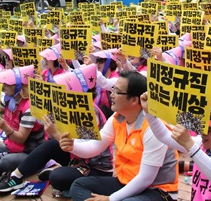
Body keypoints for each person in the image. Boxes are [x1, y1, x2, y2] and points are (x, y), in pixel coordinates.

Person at [60, 70, 179, 201]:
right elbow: (94, 146)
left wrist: (111, 199)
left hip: (157, 191)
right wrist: (72, 146)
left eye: (117, 92)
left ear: (134, 100)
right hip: (126, 182)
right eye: (113, 90)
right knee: (79, 185)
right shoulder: (117, 119)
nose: (111, 95)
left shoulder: (153, 128)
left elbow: (146, 178)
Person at [142, 95, 211, 200]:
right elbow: (165, 136)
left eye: (208, 130)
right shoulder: (202, 145)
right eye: (202, 127)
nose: (203, 133)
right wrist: (149, 112)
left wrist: (190, 145)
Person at [0, 65, 45, 173]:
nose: (3, 85)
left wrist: (5, 127)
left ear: (18, 86)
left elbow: (21, 138)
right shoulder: (10, 100)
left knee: (5, 162)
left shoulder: (30, 108)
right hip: (11, 147)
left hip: (29, 152)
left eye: (7, 83)